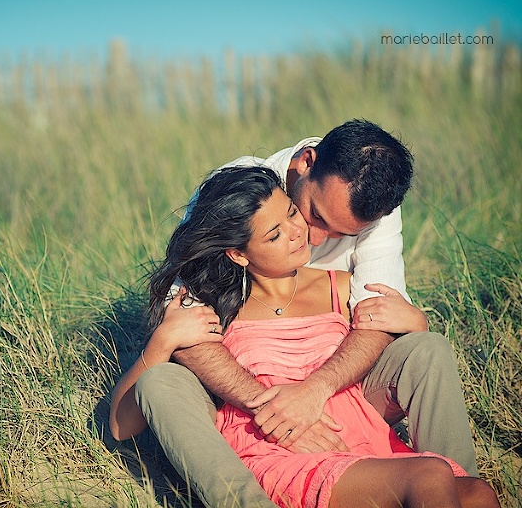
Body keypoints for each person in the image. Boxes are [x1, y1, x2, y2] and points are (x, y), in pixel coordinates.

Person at [111, 120, 479, 508]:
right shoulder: (239, 195)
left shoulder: (374, 205)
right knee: (163, 381)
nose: (313, 238)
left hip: (337, 397)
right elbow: (186, 329)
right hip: (246, 403)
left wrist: (313, 392)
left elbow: (380, 321)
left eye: (344, 234)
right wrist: (274, 409)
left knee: (427, 350)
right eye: (315, 216)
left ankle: (456, 487)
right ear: (305, 164)